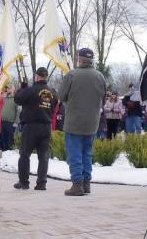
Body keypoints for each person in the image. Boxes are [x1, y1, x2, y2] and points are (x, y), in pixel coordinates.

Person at [59, 48, 106, 196]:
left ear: (79, 59)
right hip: (92, 123)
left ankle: (77, 184)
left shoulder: (71, 75)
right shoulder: (100, 76)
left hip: (74, 122)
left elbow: (61, 96)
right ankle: (87, 184)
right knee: (87, 153)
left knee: (75, 154)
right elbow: (103, 100)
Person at [13, 67, 57, 190]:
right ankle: (41, 183)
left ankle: (24, 182)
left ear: (36, 76)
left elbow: (17, 99)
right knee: (43, 156)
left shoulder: (30, 90)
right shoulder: (52, 92)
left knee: (25, 154)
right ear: (46, 77)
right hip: (46, 126)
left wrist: (22, 88)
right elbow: (54, 107)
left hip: (31, 126)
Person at [0, 84, 19, 151]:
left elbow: (19, 110)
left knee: (9, 141)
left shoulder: (16, 99)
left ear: (13, 89)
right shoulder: (3, 98)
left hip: (10, 123)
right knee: (2, 140)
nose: (7, 89)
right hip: (1, 122)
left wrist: (16, 122)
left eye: (9, 88)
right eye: (7, 88)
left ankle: (9, 153)